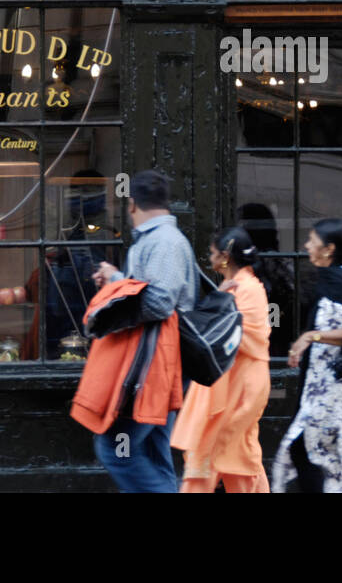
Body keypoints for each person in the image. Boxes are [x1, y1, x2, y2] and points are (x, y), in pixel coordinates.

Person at [87, 169, 198, 492]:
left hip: (154, 366)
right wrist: (117, 279)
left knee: (115, 448)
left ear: (132, 204)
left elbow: (161, 302)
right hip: (158, 362)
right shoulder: (158, 241)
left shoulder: (164, 242)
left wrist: (117, 283)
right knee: (153, 449)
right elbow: (150, 292)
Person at [271, 218, 342, 493]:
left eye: (312, 241)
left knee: (330, 451)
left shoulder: (337, 279)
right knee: (324, 450)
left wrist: (310, 337)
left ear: (329, 249)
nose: (306, 246)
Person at [171, 227, 272, 492]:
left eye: (213, 252)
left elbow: (223, 335)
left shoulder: (245, 288)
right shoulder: (240, 286)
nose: (210, 257)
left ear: (225, 257)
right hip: (236, 382)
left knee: (212, 449)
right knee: (236, 455)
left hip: (239, 386)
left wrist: (217, 299)